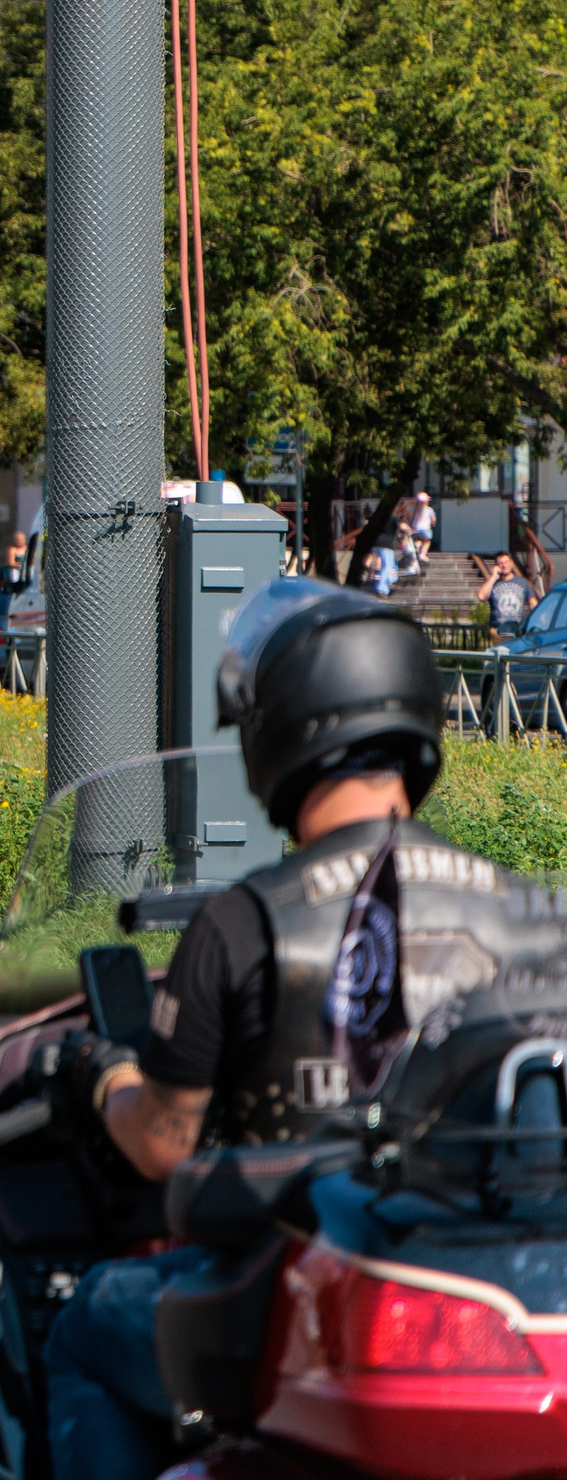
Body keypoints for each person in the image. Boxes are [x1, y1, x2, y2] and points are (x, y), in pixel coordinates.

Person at [40, 578, 514, 1480]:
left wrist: (101, 1072)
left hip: (295, 1300)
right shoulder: (529, 912)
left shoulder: (247, 922)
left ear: (281, 730)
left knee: (85, 1326)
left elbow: (164, 1144)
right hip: (485, 1301)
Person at [481, 551, 533, 638]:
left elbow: (533, 602)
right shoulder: (493, 583)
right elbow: (481, 596)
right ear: (496, 566)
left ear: (511, 563)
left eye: (506, 562)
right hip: (498, 632)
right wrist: (493, 577)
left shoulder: (523, 582)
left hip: (518, 632)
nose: (504, 565)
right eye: (500, 563)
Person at [411, 490, 437, 567]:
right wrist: (433, 523)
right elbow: (433, 519)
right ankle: (422, 554)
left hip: (416, 527)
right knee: (427, 541)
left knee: (418, 540)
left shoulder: (417, 509)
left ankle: (417, 547)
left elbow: (413, 517)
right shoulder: (429, 510)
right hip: (425, 528)